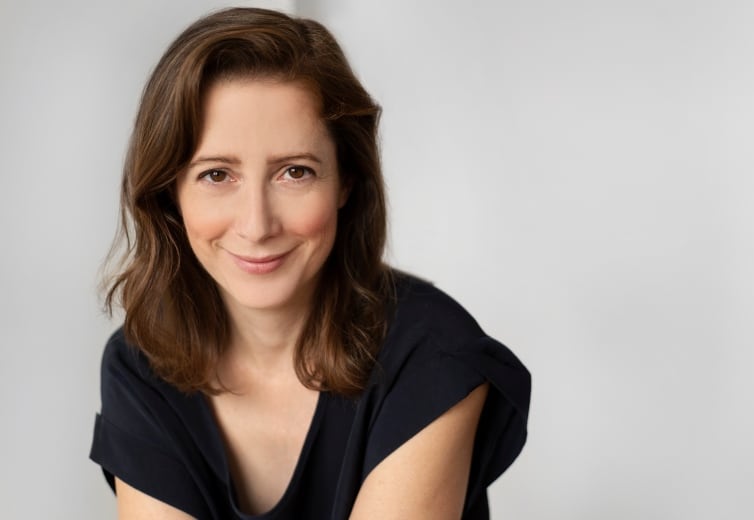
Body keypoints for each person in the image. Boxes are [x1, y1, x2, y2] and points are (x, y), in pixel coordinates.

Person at [89, 7, 531, 520]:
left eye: (295, 172)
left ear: (346, 180)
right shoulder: (141, 364)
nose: (256, 225)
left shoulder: (433, 355)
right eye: (216, 175)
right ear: (171, 193)